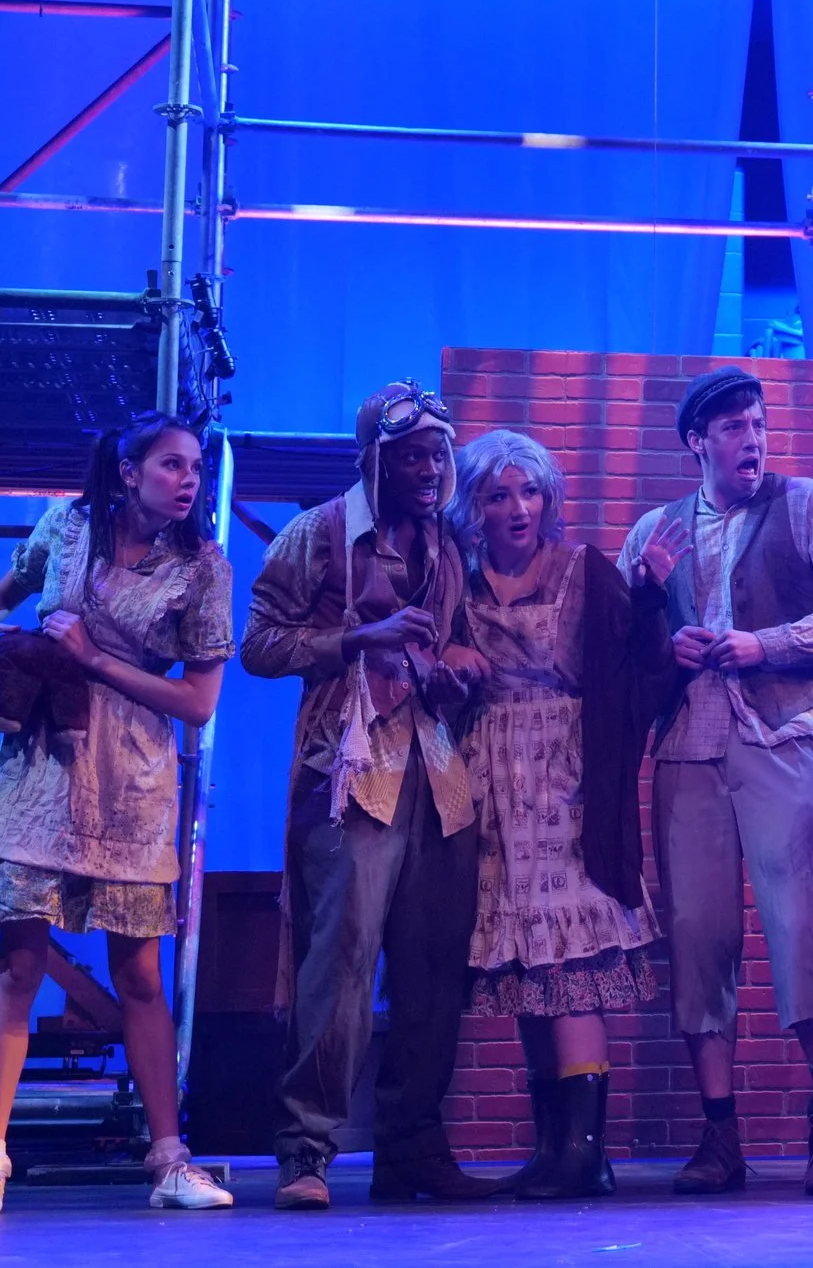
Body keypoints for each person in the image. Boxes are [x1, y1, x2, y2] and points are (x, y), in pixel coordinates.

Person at [0, 414, 237, 1216]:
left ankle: (170, 1158)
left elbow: (198, 703)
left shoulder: (204, 567)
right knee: (20, 964)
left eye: (196, 468)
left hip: (132, 781)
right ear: (127, 470)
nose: (189, 480)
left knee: (139, 975)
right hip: (41, 768)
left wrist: (97, 660)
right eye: (172, 464)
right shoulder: (66, 525)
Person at [617, 366, 813, 1196]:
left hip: (785, 734)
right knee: (697, 934)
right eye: (732, 427)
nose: (751, 439)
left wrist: (765, 644)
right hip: (689, 745)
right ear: (698, 440)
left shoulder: (803, 506)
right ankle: (719, 1134)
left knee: (803, 921)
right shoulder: (655, 532)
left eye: (757, 423)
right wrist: (664, 636)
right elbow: (626, 655)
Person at [244, 381, 494, 1209]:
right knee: (339, 965)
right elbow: (259, 643)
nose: (429, 468)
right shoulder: (318, 534)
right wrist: (359, 638)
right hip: (352, 770)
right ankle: (306, 1151)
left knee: (432, 970)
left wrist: (460, 668)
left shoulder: (447, 547)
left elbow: (448, 647)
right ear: (375, 458)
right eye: (412, 454)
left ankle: (413, 1148)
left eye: (437, 453)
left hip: (439, 775)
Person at [449, 431, 680, 1199]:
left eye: (530, 491)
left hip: (567, 778)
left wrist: (651, 595)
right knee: (526, 964)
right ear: (474, 504)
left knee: (572, 965)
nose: (517, 508)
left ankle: (586, 1150)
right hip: (490, 781)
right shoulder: (460, 580)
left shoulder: (584, 570)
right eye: (499, 494)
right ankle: (553, 1146)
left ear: (548, 498)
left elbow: (642, 662)